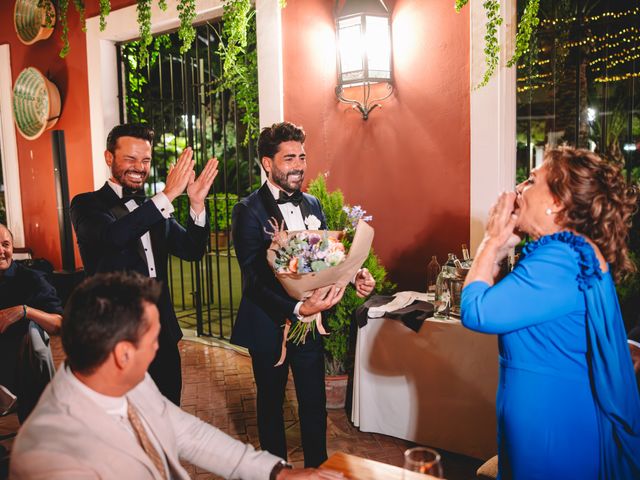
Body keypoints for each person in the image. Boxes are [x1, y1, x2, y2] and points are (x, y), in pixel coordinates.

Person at [10, 272, 344, 480]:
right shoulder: (51, 455)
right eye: (153, 338)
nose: (159, 348)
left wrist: (279, 473)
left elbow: (188, 434)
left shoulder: (122, 379)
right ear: (123, 355)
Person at [461, 146, 640, 479]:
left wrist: (492, 239)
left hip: (552, 426)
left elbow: (476, 311)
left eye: (531, 181)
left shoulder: (560, 259)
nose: (518, 190)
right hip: (553, 415)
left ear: (557, 201)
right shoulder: (573, 252)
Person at [231, 122, 375, 467]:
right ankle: (276, 471)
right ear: (268, 163)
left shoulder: (312, 204)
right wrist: (298, 306)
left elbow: (328, 258)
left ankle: (317, 469)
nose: (298, 165)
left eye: (302, 157)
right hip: (268, 324)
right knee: (270, 404)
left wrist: (355, 275)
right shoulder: (247, 210)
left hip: (310, 326)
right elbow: (254, 279)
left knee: (313, 402)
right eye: (289, 158)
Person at [70, 123, 218, 405]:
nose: (139, 167)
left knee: (168, 409)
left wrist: (197, 205)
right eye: (130, 158)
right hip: (116, 335)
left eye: (146, 160)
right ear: (109, 158)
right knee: (127, 419)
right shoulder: (86, 205)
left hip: (162, 333)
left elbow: (192, 250)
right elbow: (113, 237)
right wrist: (168, 195)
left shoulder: (153, 208)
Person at [0, 223, 62, 422]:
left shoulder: (31, 279)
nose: (1, 251)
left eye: (5, 244)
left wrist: (25, 311)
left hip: (18, 367)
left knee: (31, 336)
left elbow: (59, 323)